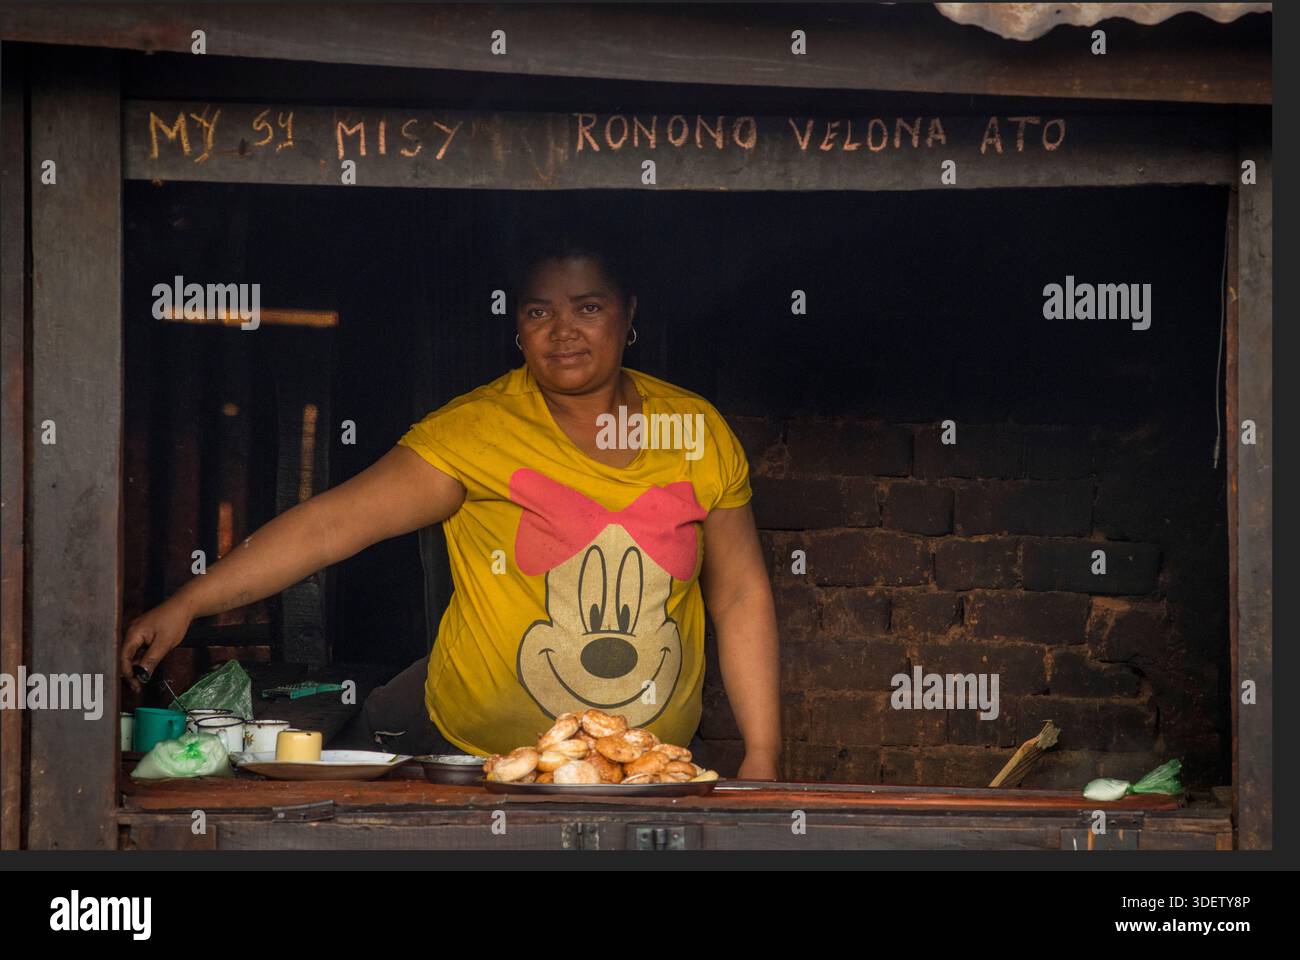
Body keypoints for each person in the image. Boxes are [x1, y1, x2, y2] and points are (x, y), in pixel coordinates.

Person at [120, 229, 782, 780]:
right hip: (478, 766)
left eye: (587, 307)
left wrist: (763, 751)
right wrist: (191, 601)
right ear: (516, 326)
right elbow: (331, 526)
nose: (562, 332)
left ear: (628, 313)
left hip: (643, 772)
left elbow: (740, 594)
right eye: (537, 312)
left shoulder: (693, 431)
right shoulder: (475, 430)